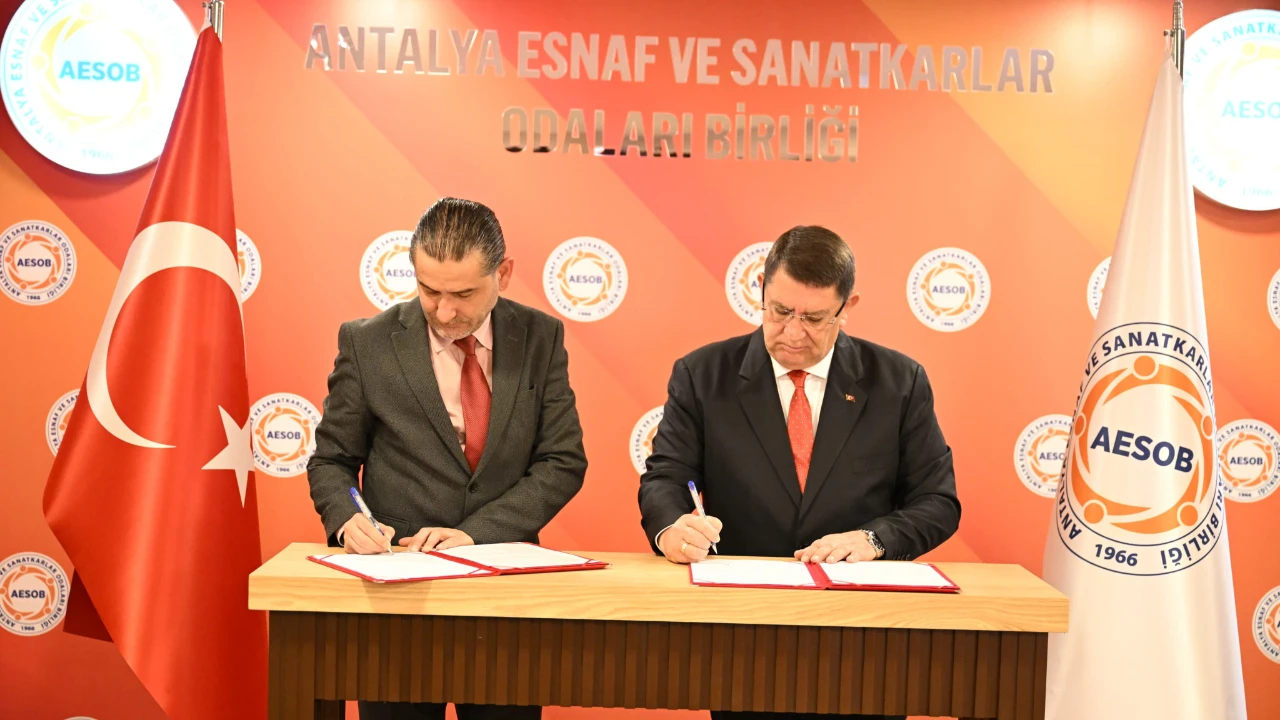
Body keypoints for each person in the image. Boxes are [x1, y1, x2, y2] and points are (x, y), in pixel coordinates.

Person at [638, 225, 961, 720]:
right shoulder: (702, 374)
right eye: (780, 311)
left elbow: (937, 501)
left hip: (864, 635)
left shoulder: (899, 381)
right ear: (761, 291)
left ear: (847, 307)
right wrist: (671, 528)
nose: (792, 332)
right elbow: (665, 478)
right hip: (743, 632)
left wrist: (874, 539)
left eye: (813, 318)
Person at [307, 197, 587, 720]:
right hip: (397, 603)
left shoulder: (541, 337)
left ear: (503, 274)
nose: (443, 311)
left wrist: (475, 534)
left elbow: (562, 460)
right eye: (429, 290)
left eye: (463, 294)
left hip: (504, 598)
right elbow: (332, 461)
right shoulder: (367, 343)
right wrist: (347, 519)